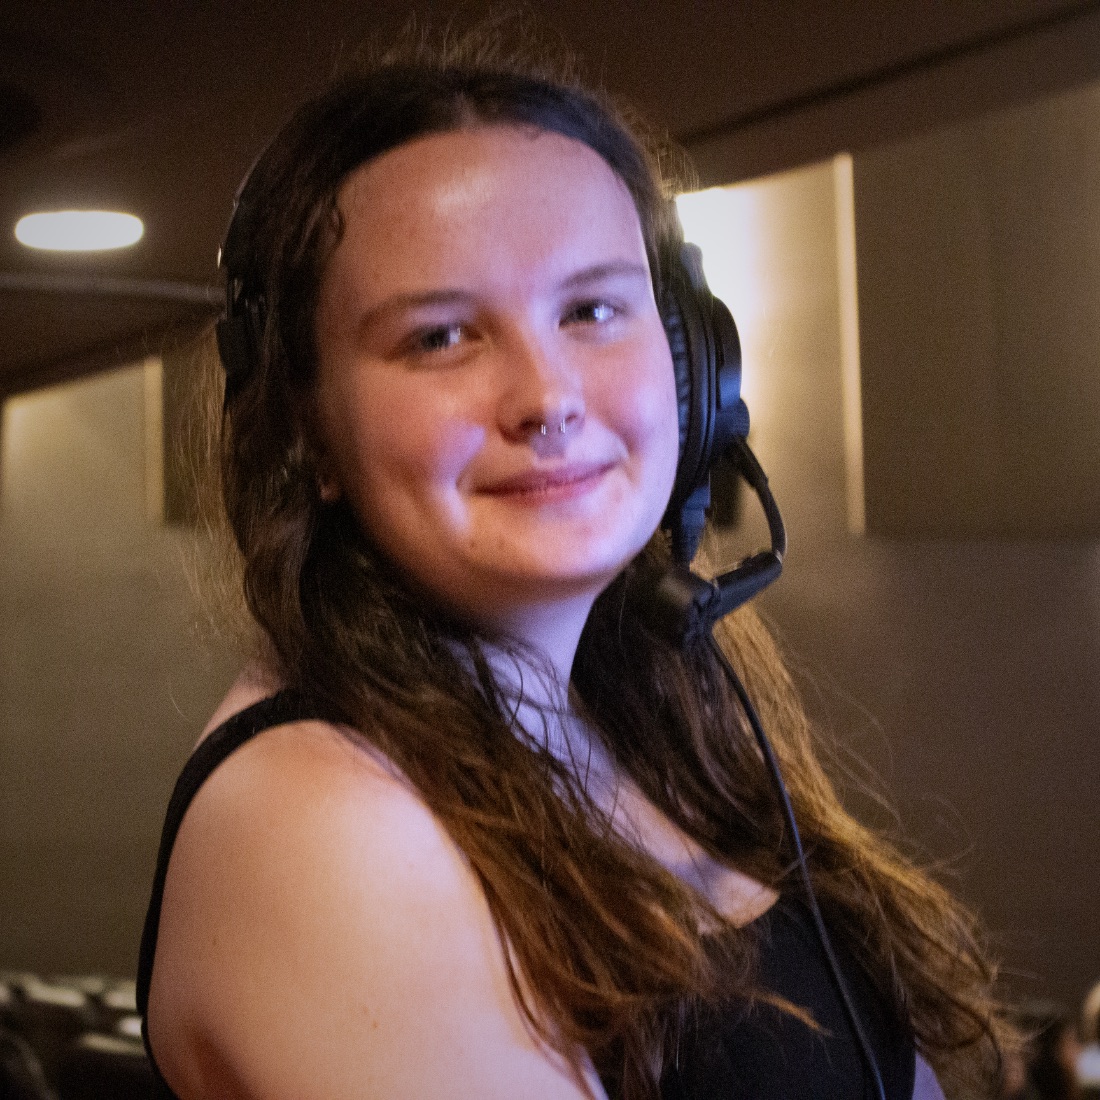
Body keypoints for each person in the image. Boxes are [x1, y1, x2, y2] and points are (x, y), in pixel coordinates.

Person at [136, 44, 1010, 1100]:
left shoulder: (644, 720)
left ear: (692, 364)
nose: (546, 395)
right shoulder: (314, 821)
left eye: (591, 310)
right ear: (306, 428)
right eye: (441, 336)